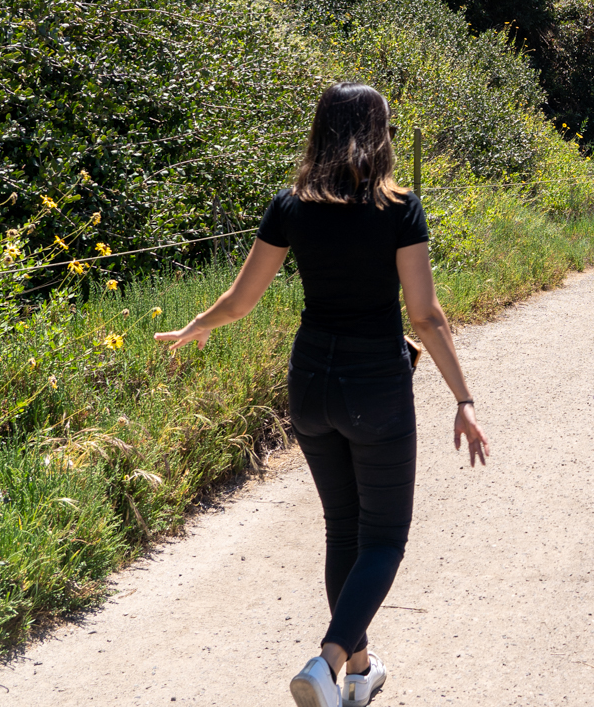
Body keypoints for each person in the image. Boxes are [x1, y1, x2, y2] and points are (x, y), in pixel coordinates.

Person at [155, 83, 490, 707]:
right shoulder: (399, 208)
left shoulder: (291, 205)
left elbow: (242, 299)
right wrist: (463, 397)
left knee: (344, 529)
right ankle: (328, 660)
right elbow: (425, 316)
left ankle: (360, 669)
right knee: (384, 538)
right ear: (380, 132)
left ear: (322, 130)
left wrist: (199, 324)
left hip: (310, 385)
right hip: (376, 388)